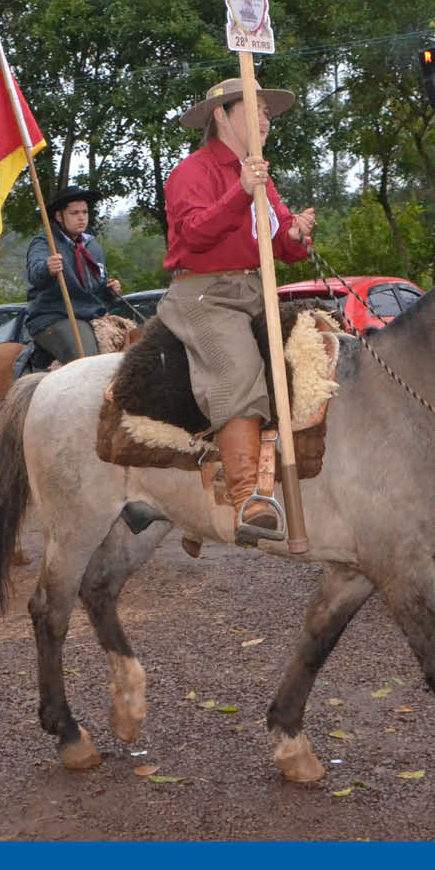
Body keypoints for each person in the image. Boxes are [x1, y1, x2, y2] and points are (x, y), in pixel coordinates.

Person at [157, 77, 316, 542]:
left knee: (318, 351)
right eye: (257, 110)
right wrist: (241, 191)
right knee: (239, 368)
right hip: (204, 295)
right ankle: (247, 498)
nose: (267, 120)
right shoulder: (192, 171)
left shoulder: (259, 173)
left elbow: (281, 242)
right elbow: (194, 235)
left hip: (255, 290)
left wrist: (294, 232)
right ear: (222, 116)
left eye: (268, 112)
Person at [23, 185, 123, 364]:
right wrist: (47, 269)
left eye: (84, 212)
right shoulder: (45, 243)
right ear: (59, 216)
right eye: (74, 213)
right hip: (53, 316)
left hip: (91, 316)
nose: (81, 217)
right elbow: (34, 274)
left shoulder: (93, 247)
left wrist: (110, 291)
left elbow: (97, 290)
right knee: (86, 358)